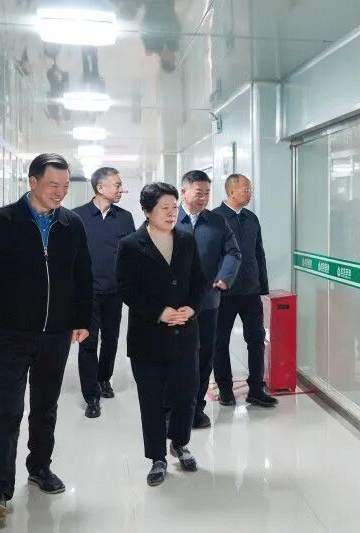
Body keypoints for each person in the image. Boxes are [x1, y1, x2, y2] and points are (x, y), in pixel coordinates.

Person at [0, 153, 92, 519]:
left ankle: (40, 467)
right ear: (33, 182)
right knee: (8, 412)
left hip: (55, 334)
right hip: (9, 334)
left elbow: (82, 275)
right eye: (53, 185)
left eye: (65, 186)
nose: (60, 192)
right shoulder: (2, 221)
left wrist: (82, 319)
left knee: (45, 408)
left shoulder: (71, 224)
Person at [116, 182, 207, 486]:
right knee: (152, 399)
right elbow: (126, 289)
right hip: (148, 337)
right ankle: (157, 457)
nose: (171, 213)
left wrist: (192, 308)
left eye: (174, 207)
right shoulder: (131, 245)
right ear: (147, 211)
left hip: (184, 332)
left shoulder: (187, 240)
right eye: (164, 208)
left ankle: (179, 443)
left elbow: (199, 281)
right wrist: (159, 311)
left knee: (186, 394)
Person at [175, 170, 240, 429]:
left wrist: (224, 277)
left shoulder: (217, 222)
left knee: (203, 357)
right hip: (175, 305)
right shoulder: (168, 218)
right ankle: (172, 409)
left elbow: (233, 252)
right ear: (184, 191)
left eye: (207, 193)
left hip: (207, 303)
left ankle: (196, 408)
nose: (203, 197)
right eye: (198, 192)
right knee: (176, 356)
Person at [73, 167, 135, 418]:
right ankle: (91, 396)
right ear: (100, 187)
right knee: (87, 342)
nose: (121, 189)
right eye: (117, 185)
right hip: (86, 292)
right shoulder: (76, 216)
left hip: (114, 291)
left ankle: (103, 378)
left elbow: (132, 254)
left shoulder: (125, 218)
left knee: (111, 339)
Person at [213, 174, 278, 408]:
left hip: (250, 292)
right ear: (231, 191)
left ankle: (256, 390)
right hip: (223, 294)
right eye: (246, 189)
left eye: (250, 189)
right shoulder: (214, 219)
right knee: (219, 342)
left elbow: (259, 254)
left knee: (257, 339)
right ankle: (225, 389)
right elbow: (209, 257)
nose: (250, 193)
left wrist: (263, 287)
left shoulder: (252, 219)